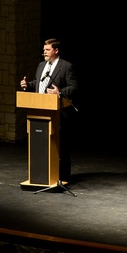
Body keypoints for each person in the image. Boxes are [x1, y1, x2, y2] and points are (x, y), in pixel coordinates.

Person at [20, 38, 79, 182]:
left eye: (47, 50)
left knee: (61, 146)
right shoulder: (41, 66)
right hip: (40, 110)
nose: (44, 52)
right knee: (41, 144)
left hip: (59, 114)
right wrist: (27, 85)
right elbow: (39, 83)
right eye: (44, 50)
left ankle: (63, 177)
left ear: (56, 50)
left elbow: (73, 87)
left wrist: (60, 91)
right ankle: (42, 175)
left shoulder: (66, 66)